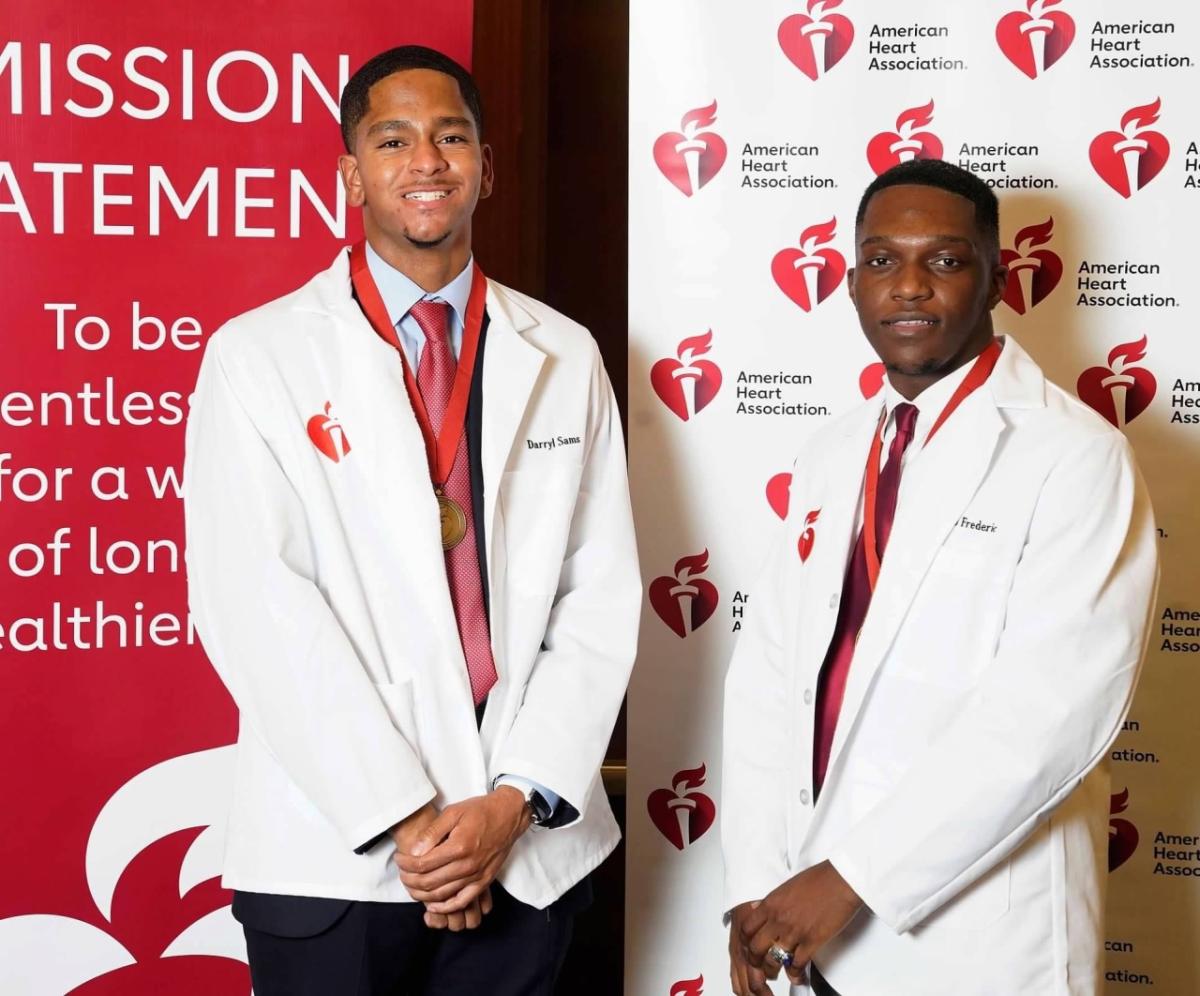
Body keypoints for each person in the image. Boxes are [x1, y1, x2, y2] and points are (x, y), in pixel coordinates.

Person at [183, 45, 640, 995]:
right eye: (393, 139)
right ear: (352, 174)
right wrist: (415, 825)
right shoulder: (258, 357)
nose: (426, 160)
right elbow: (256, 606)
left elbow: (598, 598)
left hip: (524, 854)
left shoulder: (564, 350)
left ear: (486, 167)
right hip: (335, 860)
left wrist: (510, 805)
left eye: (451, 136)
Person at [721, 159, 1158, 996]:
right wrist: (757, 889)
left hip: (976, 942)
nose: (909, 287)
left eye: (945, 261)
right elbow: (769, 684)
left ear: (996, 278)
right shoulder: (834, 453)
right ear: (850, 286)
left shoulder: (1076, 456)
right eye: (882, 261)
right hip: (804, 933)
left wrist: (847, 880)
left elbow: (1050, 717)